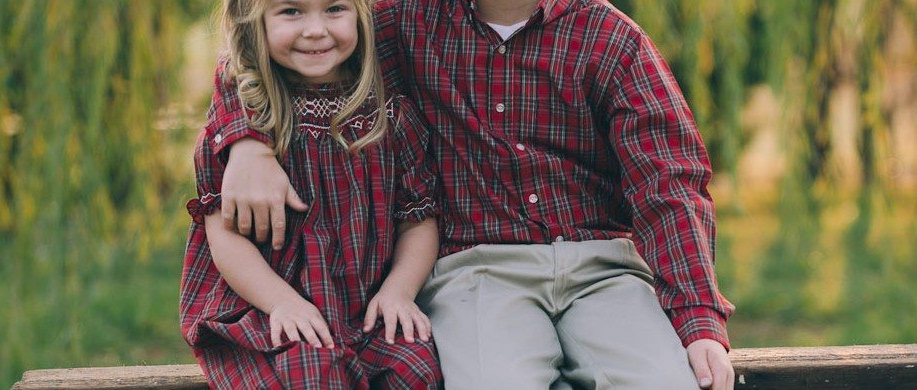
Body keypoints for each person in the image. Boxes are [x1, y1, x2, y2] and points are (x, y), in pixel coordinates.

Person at [212, 0, 737, 389]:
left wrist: (699, 321)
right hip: (479, 270)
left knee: (664, 382)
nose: (317, 25)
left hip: (602, 269)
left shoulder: (609, 38)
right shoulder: (406, 21)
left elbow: (668, 185)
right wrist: (246, 141)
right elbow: (266, 49)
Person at [179, 0, 443, 388]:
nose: (316, 29)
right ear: (254, 22)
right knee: (312, 375)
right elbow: (224, 235)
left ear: (363, 15)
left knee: (416, 370)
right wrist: (280, 302)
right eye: (291, 11)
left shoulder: (390, 116)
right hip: (269, 304)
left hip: (367, 308)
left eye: (335, 8)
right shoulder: (251, 123)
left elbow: (418, 220)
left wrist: (398, 292)